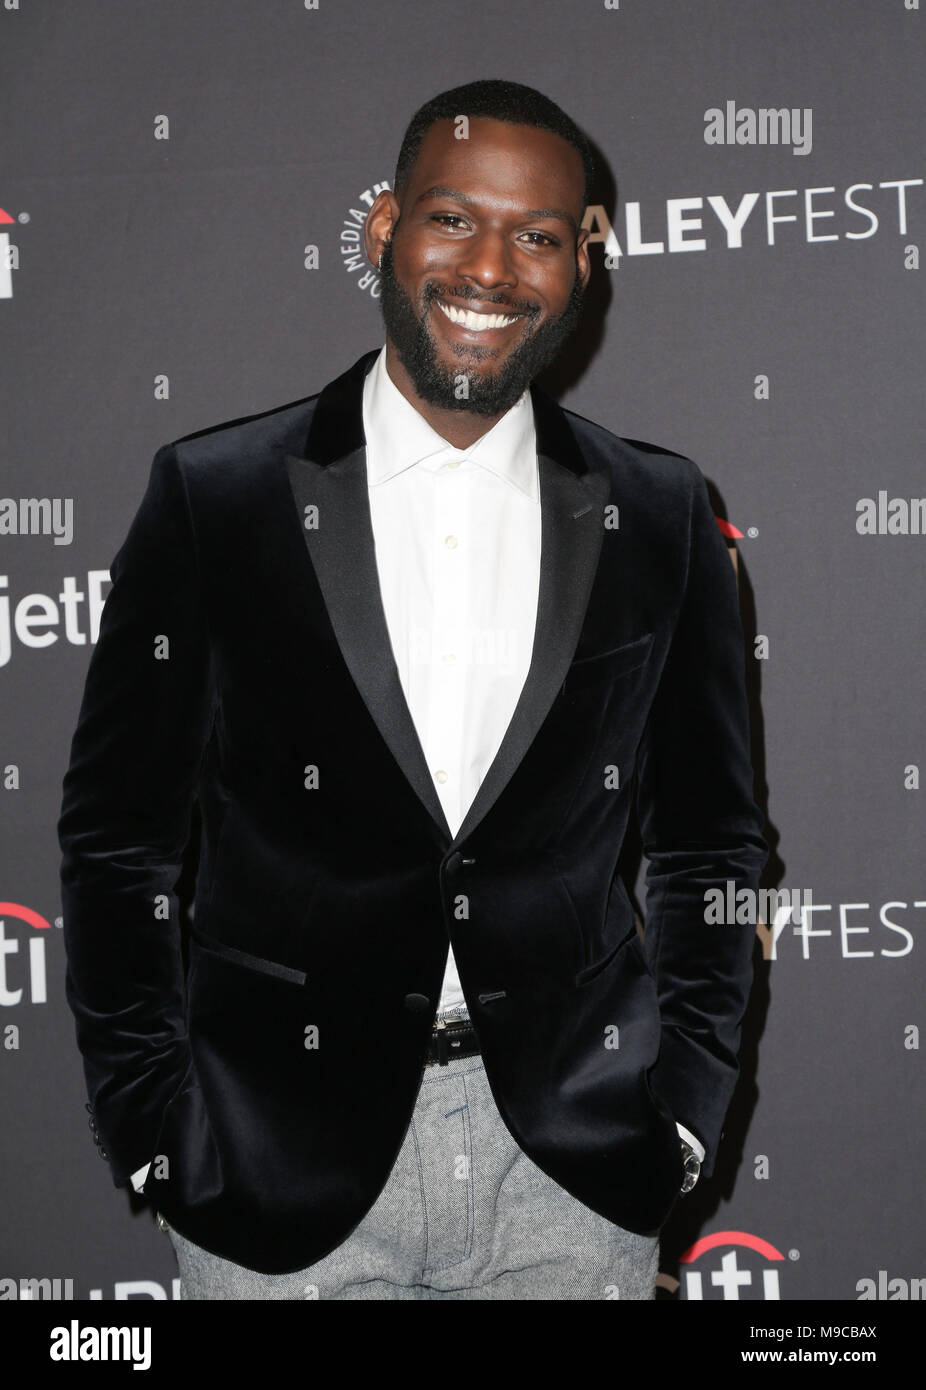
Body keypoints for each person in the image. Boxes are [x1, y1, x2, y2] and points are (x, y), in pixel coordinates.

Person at [58, 78, 768, 1300]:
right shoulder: (215, 496)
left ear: (581, 263)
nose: (490, 268)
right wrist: (149, 1127)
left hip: (572, 1168)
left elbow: (712, 845)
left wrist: (688, 1106)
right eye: (453, 219)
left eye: (539, 235)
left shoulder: (658, 513)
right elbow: (120, 843)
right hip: (275, 1166)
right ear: (385, 227)